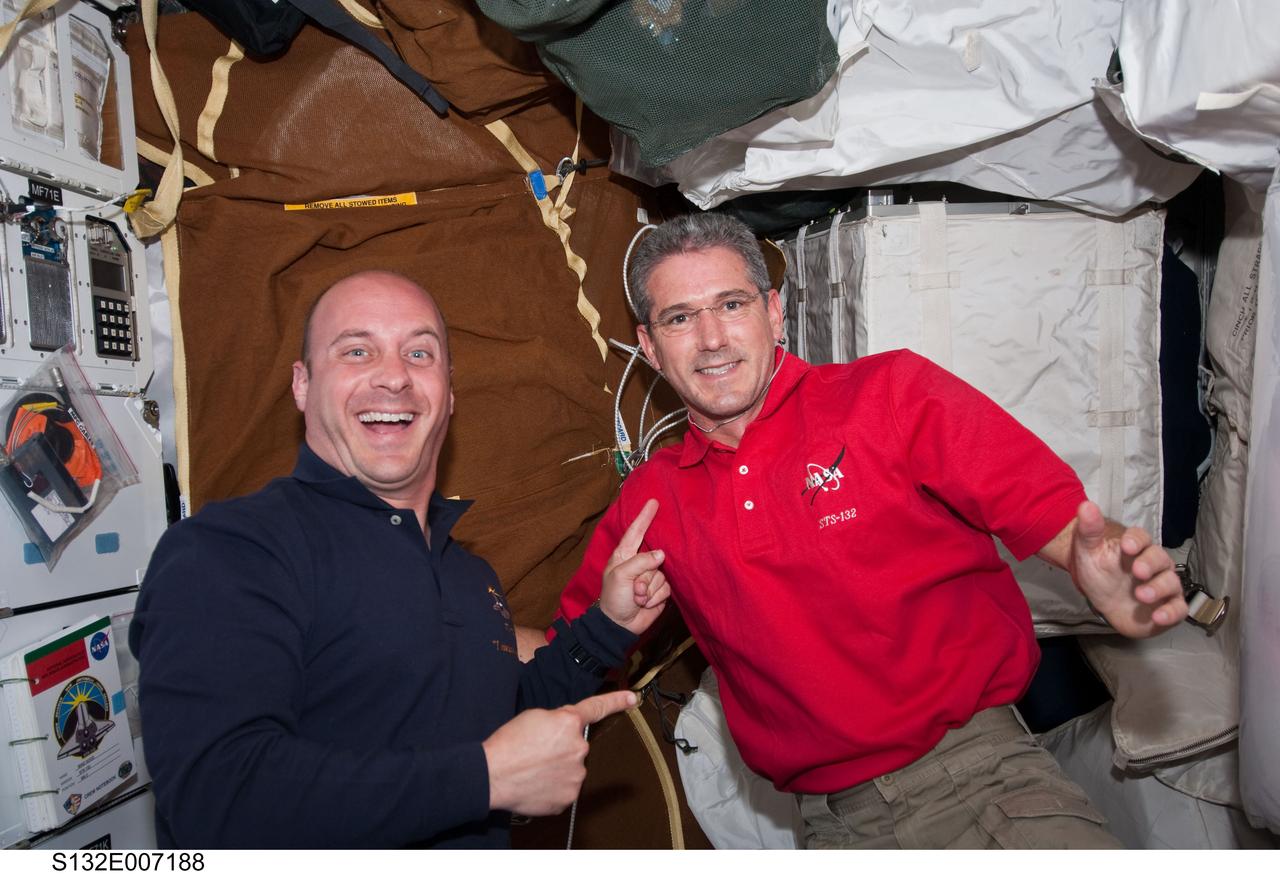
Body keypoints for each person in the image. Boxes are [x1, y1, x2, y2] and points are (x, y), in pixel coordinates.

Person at [557, 213, 1189, 849]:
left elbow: (1047, 509)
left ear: (774, 313)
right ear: (649, 343)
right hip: (834, 830)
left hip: (989, 786)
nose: (712, 337)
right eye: (680, 318)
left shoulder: (887, 394)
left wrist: (1094, 560)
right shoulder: (649, 501)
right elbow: (568, 651)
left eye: (731, 304)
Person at [129, 270, 670, 848]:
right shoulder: (232, 549)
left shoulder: (467, 574)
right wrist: (482, 779)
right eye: (357, 351)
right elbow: (216, 800)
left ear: (450, 392)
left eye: (419, 353)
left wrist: (606, 628)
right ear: (302, 385)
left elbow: (497, 719)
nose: (393, 376)